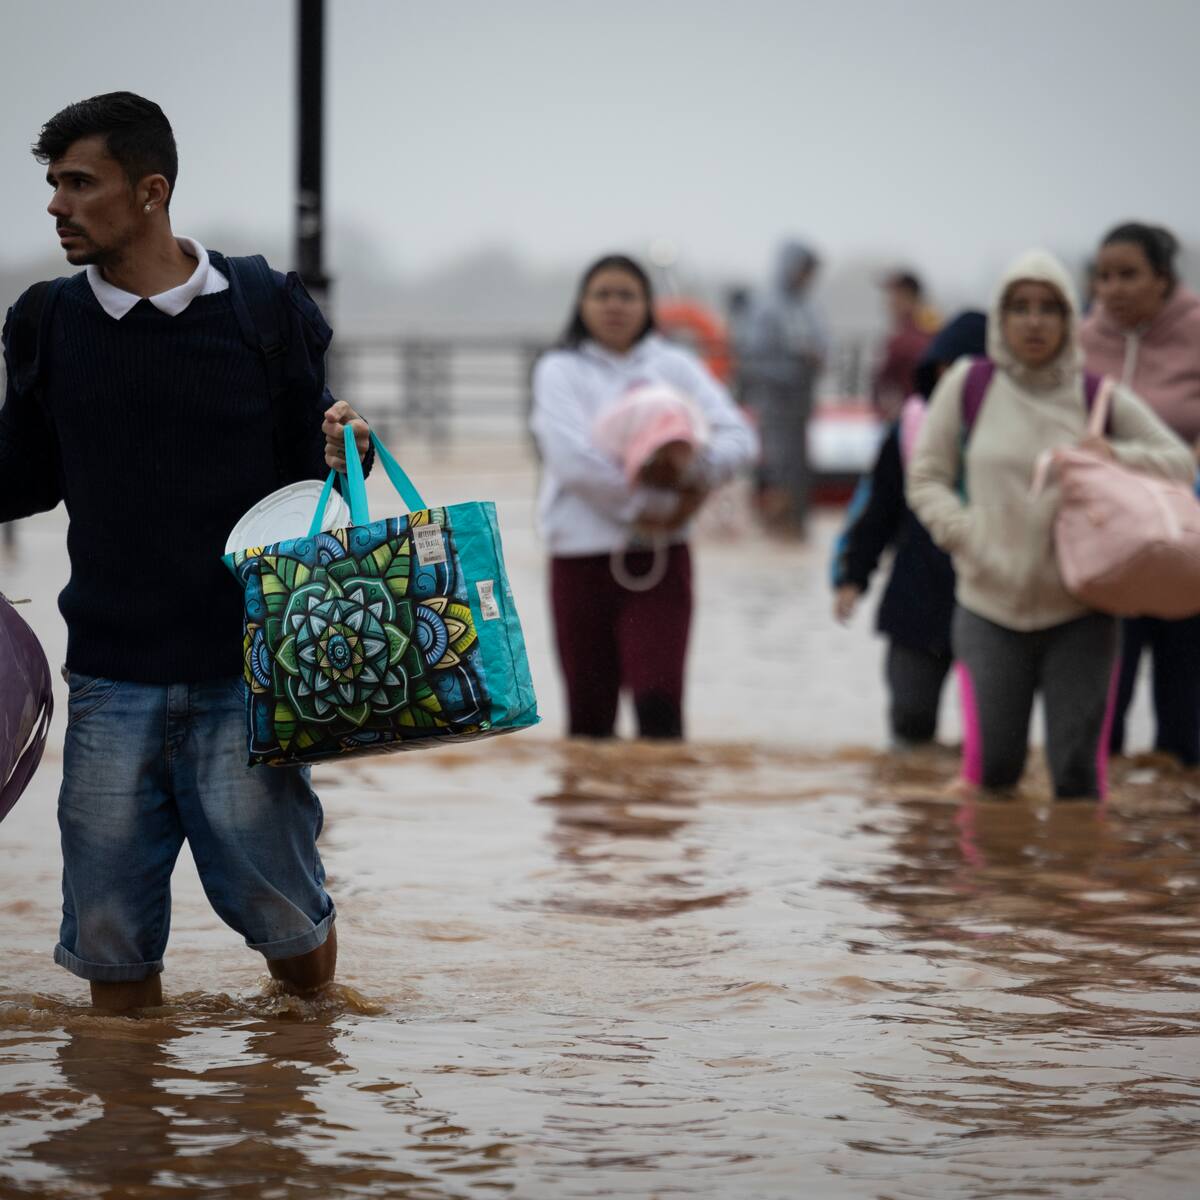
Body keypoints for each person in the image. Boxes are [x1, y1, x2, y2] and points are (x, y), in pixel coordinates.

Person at [0, 92, 371, 1011]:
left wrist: (346, 449)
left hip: (247, 676)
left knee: (284, 918)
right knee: (112, 944)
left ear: (151, 190)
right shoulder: (44, 322)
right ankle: (133, 1134)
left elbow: (310, 474)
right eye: (53, 185)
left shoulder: (263, 307)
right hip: (110, 679)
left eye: (81, 183)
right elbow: (21, 480)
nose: (57, 205)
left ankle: (302, 1074)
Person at [906, 249, 1193, 799]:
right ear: (1001, 318)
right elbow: (927, 477)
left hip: (1082, 608)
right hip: (987, 606)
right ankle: (998, 884)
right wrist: (964, 534)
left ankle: (1072, 880)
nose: (1034, 321)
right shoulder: (969, 385)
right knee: (993, 776)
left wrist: (1111, 452)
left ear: (1069, 319)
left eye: (1049, 308)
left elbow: (1179, 462)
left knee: (1077, 779)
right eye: (1019, 308)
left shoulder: (1097, 395)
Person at [530, 254, 757, 740]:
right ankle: (594, 817)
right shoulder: (558, 369)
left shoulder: (676, 366)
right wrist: (650, 505)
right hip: (579, 559)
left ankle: (661, 814)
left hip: (661, 561)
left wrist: (685, 475)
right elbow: (572, 461)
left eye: (627, 295)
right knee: (589, 719)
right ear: (582, 304)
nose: (615, 305)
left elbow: (739, 438)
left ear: (648, 305)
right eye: (603, 294)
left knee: (661, 709)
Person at [832, 311, 986, 747]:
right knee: (910, 721)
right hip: (916, 600)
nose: (953, 379)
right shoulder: (906, 433)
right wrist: (852, 579)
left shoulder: (1012, 438)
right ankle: (913, 811)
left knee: (993, 737)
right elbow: (878, 513)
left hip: (993, 599)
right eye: (945, 367)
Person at [1079, 223, 1200, 766]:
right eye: (1103, 276)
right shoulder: (1081, 340)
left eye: (1129, 275)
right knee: (1101, 714)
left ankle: (1176, 841)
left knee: (1186, 719)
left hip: (1190, 545)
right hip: (1109, 545)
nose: (1114, 289)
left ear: (1163, 278)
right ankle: (1098, 835)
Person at [739, 241, 828, 535]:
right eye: (803, 270)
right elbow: (752, 357)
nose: (806, 277)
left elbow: (825, 347)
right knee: (776, 465)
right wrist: (792, 365)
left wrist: (815, 358)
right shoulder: (766, 308)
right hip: (774, 403)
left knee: (799, 466)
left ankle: (797, 525)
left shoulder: (809, 308)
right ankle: (774, 527)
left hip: (802, 403)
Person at [872, 271, 937, 420]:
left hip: (910, 420)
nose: (888, 303)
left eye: (893, 296)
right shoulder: (933, 326)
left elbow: (884, 381)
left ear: (907, 297)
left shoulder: (906, 338)